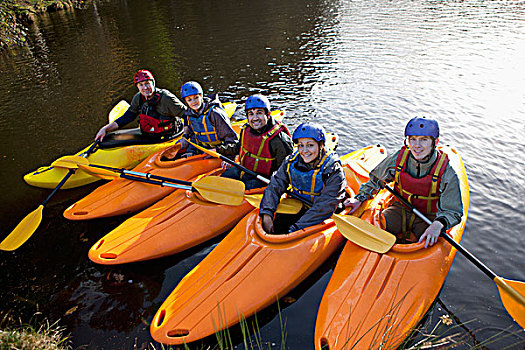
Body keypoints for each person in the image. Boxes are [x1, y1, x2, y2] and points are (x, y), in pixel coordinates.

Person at [345, 116, 463, 248]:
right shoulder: (399, 158)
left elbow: (453, 211)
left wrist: (438, 224)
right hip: (399, 209)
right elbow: (375, 181)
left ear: (435, 142)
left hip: (428, 218)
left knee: (427, 244)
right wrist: (360, 198)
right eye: (412, 139)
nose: (416, 146)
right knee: (376, 226)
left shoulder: (446, 172)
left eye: (423, 140)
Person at [259, 123, 346, 234]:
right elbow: (275, 186)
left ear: (321, 145)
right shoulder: (290, 161)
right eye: (301, 145)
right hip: (296, 205)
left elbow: (325, 206)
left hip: (321, 213)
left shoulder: (333, 170)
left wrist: (296, 228)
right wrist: (267, 213)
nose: (304, 151)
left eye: (310, 145)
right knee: (278, 226)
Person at [219, 94, 294, 190]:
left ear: (268, 114)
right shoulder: (246, 129)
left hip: (264, 178)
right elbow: (239, 147)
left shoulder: (279, 140)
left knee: (240, 189)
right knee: (223, 179)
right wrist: (219, 150)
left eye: (259, 113)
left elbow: (286, 170)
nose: (255, 118)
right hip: (245, 170)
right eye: (251, 114)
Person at [95, 69, 186, 141]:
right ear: (137, 87)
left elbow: (186, 115)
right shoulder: (138, 98)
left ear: (153, 83)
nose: (145, 88)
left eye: (147, 83)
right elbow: (128, 117)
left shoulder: (166, 98)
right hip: (148, 135)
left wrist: (186, 137)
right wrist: (105, 129)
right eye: (141, 85)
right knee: (111, 138)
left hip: (168, 136)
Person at [179, 81, 238, 157]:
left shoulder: (215, 113)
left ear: (201, 96)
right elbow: (194, 137)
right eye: (189, 100)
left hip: (220, 150)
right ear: (186, 102)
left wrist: (226, 155)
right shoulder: (189, 115)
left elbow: (231, 140)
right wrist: (191, 152)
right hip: (204, 150)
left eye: (196, 97)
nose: (193, 102)